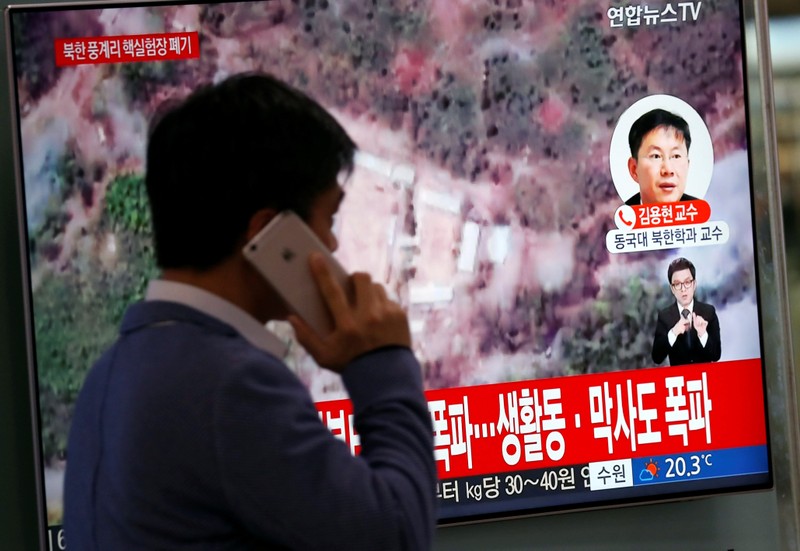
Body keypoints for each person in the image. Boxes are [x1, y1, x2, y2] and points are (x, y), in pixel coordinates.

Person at [63, 73, 437, 550]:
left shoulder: (109, 374)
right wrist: (383, 364)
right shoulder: (231, 387)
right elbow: (398, 536)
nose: (333, 243)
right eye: (329, 218)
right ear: (269, 233)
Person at [652, 257, 721, 366]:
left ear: (694, 284)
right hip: (679, 381)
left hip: (705, 379)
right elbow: (657, 357)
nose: (683, 289)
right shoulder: (664, 316)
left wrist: (703, 334)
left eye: (687, 282)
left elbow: (716, 355)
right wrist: (673, 332)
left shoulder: (708, 312)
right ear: (672, 289)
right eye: (677, 284)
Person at [624, 108, 697, 206]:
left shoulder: (704, 214)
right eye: (656, 156)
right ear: (634, 169)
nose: (668, 170)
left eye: (676, 156)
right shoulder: (618, 217)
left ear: (687, 165)